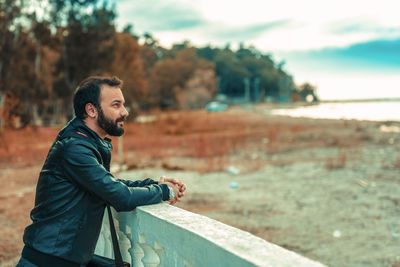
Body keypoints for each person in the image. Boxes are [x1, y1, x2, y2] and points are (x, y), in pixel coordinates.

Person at [17, 76, 186, 266]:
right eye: (116, 105)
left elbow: (109, 183)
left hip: (62, 256)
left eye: (123, 104)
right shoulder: (75, 149)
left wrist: (154, 184)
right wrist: (165, 191)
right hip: (48, 260)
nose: (125, 112)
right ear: (91, 110)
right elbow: (121, 197)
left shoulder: (86, 143)